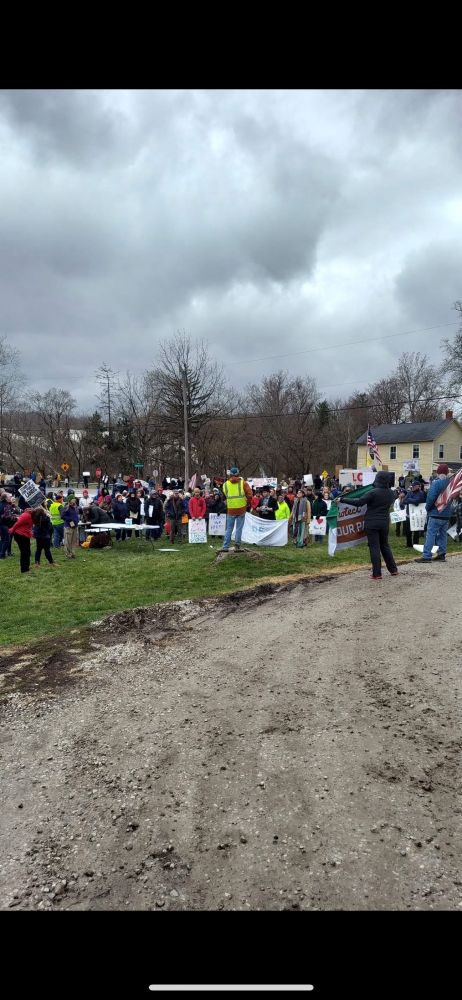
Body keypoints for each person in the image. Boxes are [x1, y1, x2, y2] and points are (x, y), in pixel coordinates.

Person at [345, 470, 398, 579]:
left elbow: (359, 502)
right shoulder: (391, 493)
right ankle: (393, 569)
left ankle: (377, 573)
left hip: (372, 523)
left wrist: (343, 499)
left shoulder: (373, 492)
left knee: (374, 547)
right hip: (384, 522)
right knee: (385, 545)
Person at [415, 464, 453, 564]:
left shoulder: (436, 483)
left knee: (430, 534)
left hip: (435, 512)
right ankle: (441, 554)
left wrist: (427, 508)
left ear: (438, 472)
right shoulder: (450, 484)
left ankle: (427, 555)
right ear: (447, 472)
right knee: (443, 535)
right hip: (446, 513)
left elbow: (431, 497)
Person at [221, 467, 253, 552]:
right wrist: (247, 502)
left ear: (230, 474)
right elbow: (250, 495)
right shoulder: (243, 483)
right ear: (238, 474)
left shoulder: (225, 484)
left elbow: (225, 496)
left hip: (231, 509)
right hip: (241, 509)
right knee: (239, 528)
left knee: (229, 529)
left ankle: (225, 547)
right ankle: (237, 546)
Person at [400, 479, 426, 548]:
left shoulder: (421, 493)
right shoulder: (410, 492)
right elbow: (404, 501)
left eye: (414, 486)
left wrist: (409, 500)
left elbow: (417, 501)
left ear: (418, 486)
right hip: (409, 515)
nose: (412, 487)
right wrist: (411, 500)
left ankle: (415, 544)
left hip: (417, 515)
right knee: (408, 531)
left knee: (416, 531)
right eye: (412, 486)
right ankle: (409, 544)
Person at [8, 504, 34, 573]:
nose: (31, 509)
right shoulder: (26, 515)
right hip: (20, 535)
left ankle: (26, 568)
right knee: (24, 552)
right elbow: (18, 523)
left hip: (24, 534)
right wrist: (12, 530)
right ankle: (24, 569)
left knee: (27, 552)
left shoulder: (31, 515)